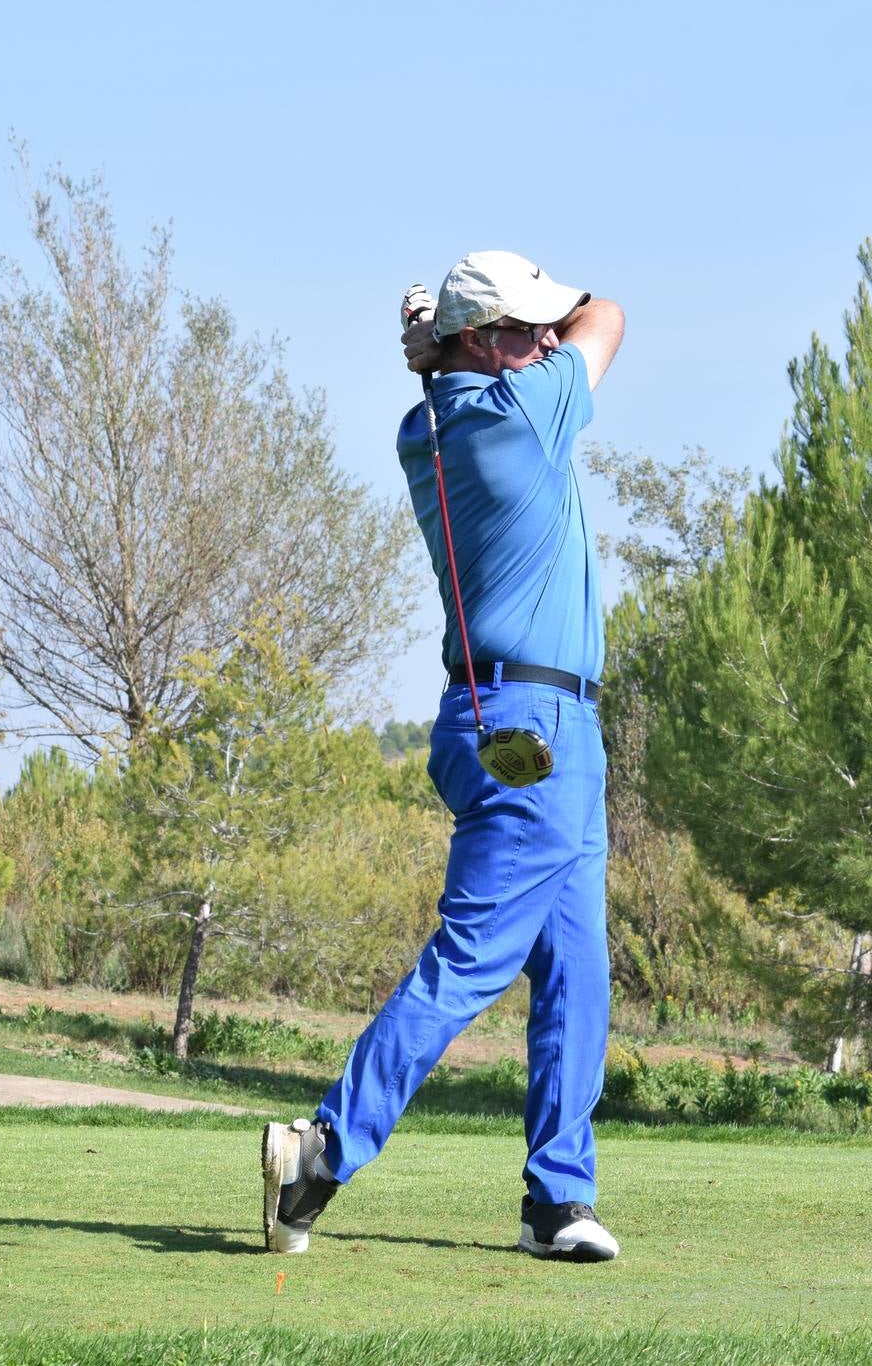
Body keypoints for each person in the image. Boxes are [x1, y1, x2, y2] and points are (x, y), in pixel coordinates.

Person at [261, 251, 626, 1262]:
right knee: (473, 959)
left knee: (576, 971)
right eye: (522, 329)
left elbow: (530, 345)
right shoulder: (520, 416)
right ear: (477, 341)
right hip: (533, 726)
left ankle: (557, 1199)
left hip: (523, 722)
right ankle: (326, 1146)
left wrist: (442, 355)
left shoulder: (427, 421)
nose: (547, 341)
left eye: (542, 329)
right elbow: (612, 316)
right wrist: (468, 346)